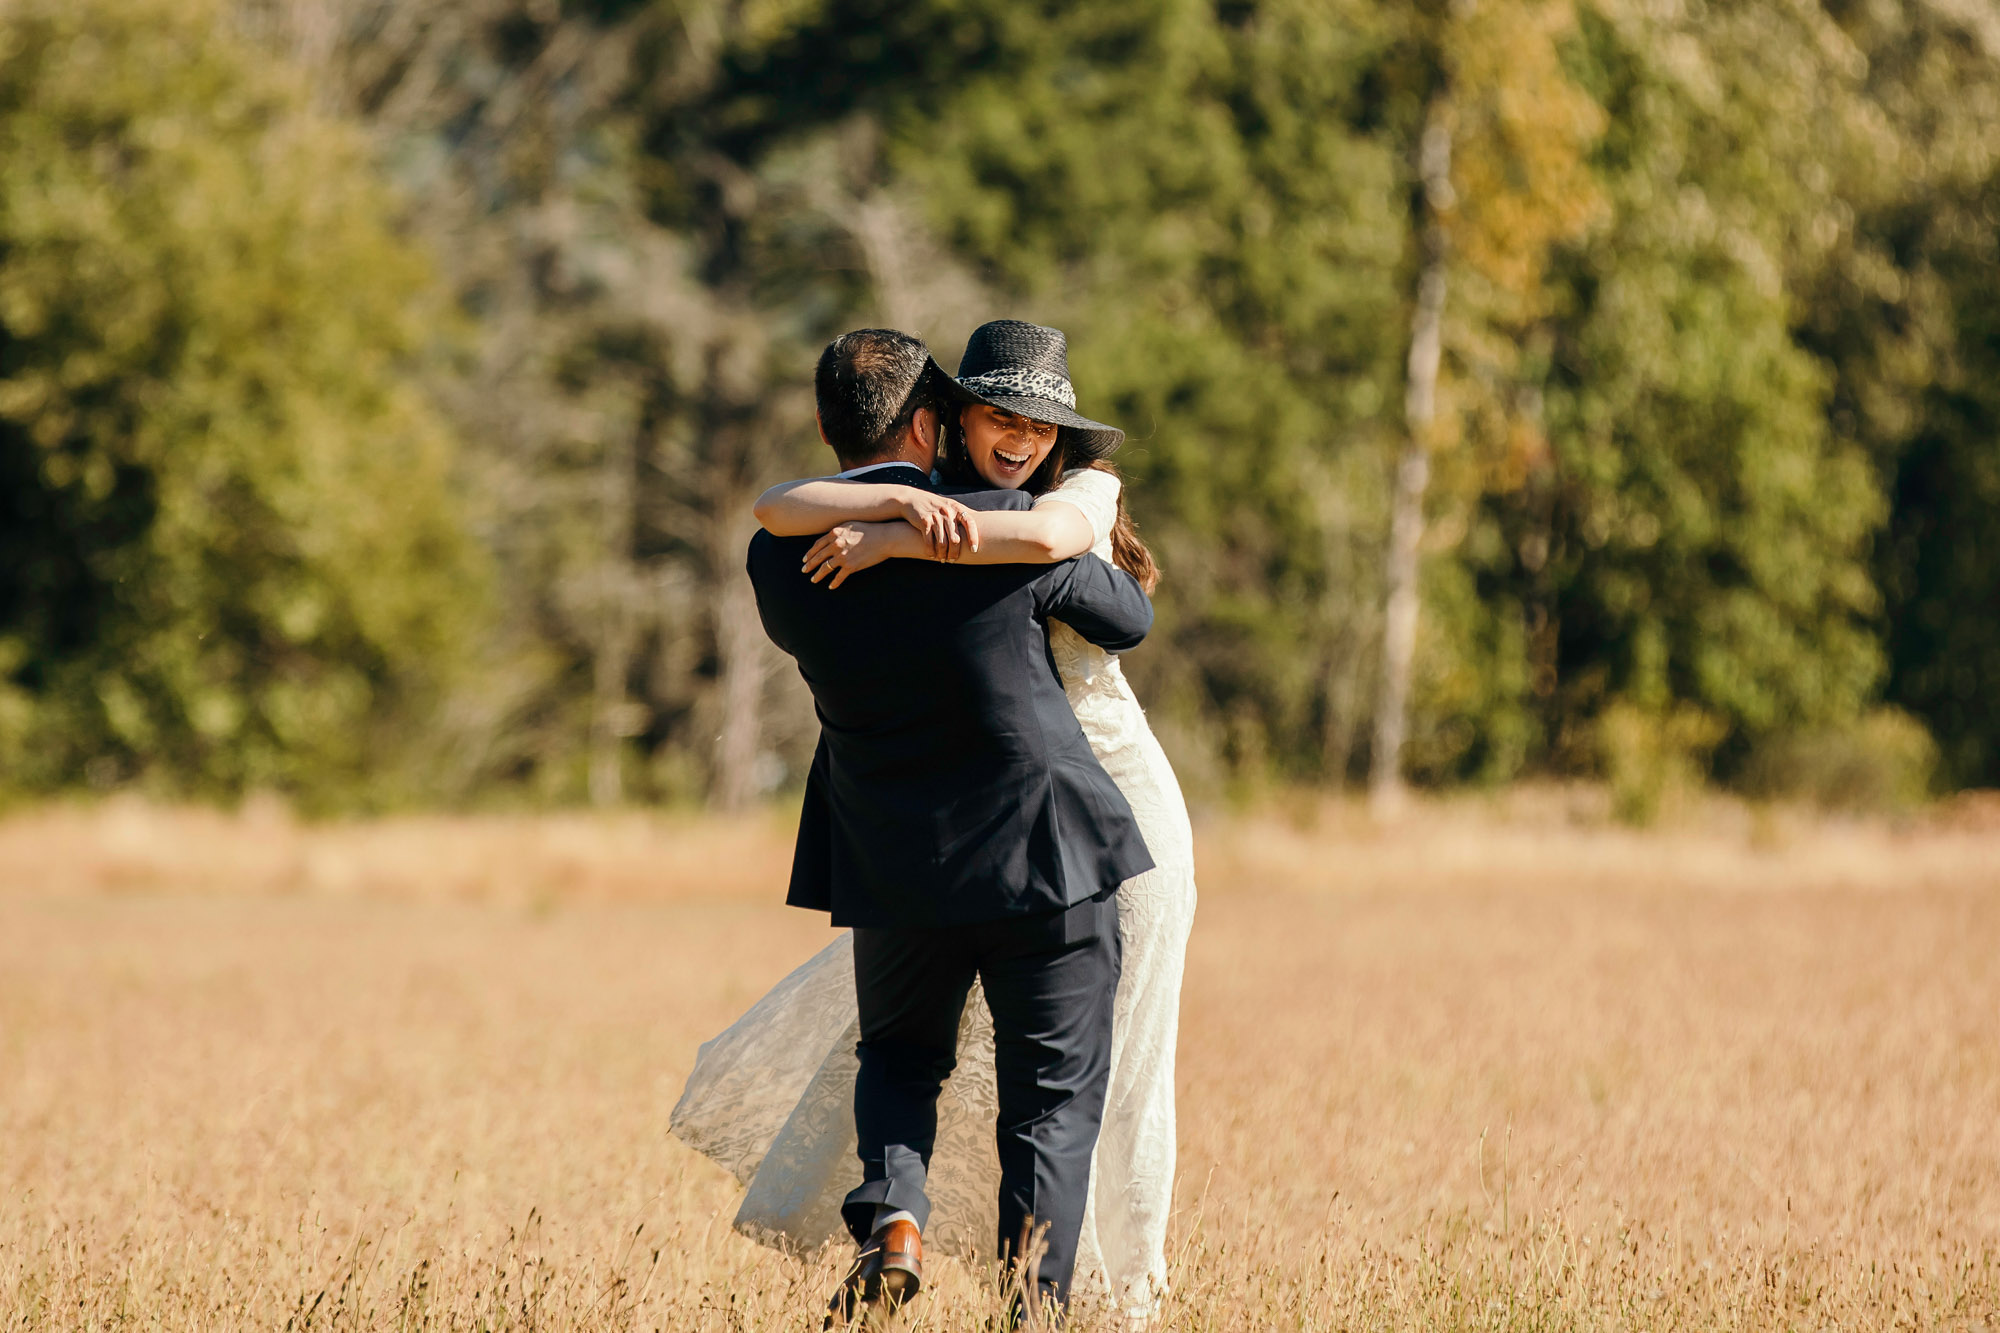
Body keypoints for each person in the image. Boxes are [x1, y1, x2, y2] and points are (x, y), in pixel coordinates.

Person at [672, 321, 1198, 1328]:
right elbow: (1124, 616)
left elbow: (774, 508)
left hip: (898, 861)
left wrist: (889, 522)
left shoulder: (781, 562)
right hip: (1047, 854)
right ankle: (1034, 1311)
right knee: (1048, 1105)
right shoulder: (997, 530)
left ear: (827, 425)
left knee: (900, 1059)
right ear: (933, 420)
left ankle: (894, 1224)